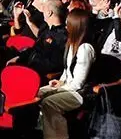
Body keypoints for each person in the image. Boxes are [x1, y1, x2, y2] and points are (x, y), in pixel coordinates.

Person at [37, 9, 95, 139]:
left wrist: (59, 89)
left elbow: (78, 83)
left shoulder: (85, 48)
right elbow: (67, 70)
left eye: (68, 23)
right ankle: (44, 130)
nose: (65, 26)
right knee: (37, 93)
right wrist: (61, 81)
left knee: (49, 102)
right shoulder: (71, 43)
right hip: (68, 86)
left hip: (80, 93)